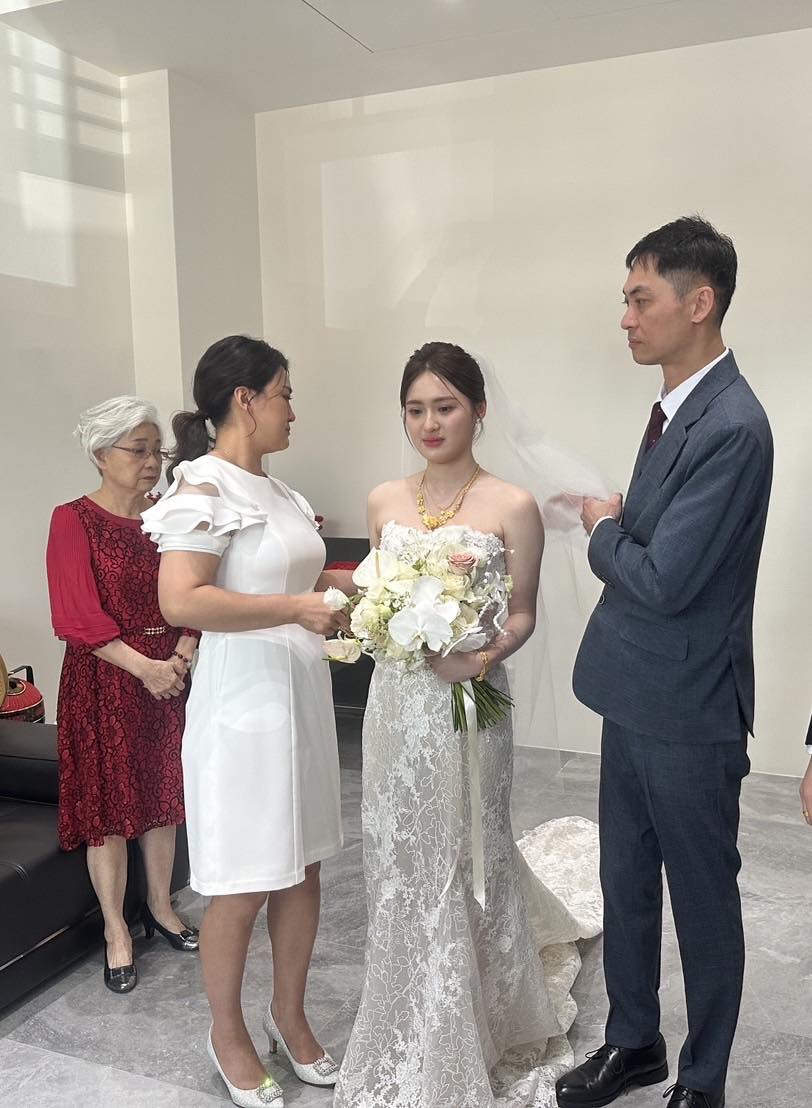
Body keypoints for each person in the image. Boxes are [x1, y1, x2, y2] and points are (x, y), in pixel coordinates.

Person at [333, 341, 601, 1108]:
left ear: (478, 411)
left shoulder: (511, 504)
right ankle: (404, 1013)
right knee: (399, 857)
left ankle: (477, 1018)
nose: (429, 423)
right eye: (415, 409)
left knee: (464, 851)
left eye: (445, 406)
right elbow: (374, 603)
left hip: (469, 707)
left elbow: (522, 616)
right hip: (397, 706)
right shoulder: (384, 500)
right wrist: (378, 624)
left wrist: (480, 658)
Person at [560, 217, 774, 1108]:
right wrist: (626, 515)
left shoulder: (734, 425)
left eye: (639, 298)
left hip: (690, 703)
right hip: (634, 688)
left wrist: (602, 527)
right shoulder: (680, 408)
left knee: (702, 899)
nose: (626, 318)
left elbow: (664, 578)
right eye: (625, 299)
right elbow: (667, 543)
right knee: (624, 878)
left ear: (700, 301)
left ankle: (704, 1078)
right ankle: (633, 1041)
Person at [142, 335, 347, 1108]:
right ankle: (226, 1032)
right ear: (246, 399)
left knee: (303, 864)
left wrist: (366, 586)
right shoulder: (203, 486)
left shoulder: (280, 492)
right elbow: (181, 599)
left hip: (299, 692)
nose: (293, 409)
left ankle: (288, 1016)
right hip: (243, 703)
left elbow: (295, 577)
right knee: (244, 878)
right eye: (284, 393)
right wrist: (296, 607)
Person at [46, 397, 200, 995]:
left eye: (157, 450)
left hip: (169, 675)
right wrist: (147, 669)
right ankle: (117, 930)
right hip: (105, 679)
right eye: (138, 450)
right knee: (108, 809)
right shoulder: (73, 519)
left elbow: (197, 588)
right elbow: (76, 616)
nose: (152, 462)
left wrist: (183, 651)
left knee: (163, 797)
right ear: (100, 454)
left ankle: (160, 907)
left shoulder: (169, 516)